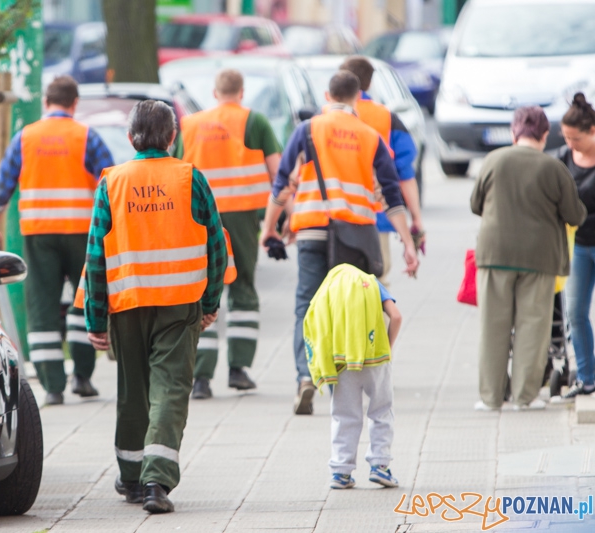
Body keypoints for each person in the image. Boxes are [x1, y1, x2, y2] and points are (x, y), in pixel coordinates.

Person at [84, 100, 227, 514]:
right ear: (172, 136)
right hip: (180, 304)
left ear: (131, 138)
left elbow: (95, 257)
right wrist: (210, 301)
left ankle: (131, 477)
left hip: (127, 305)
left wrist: (95, 318)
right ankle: (155, 481)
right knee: (170, 388)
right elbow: (215, 245)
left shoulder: (112, 183)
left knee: (133, 390)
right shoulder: (190, 178)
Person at [260, 70, 419, 416]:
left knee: (307, 303)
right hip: (355, 238)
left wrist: (268, 229)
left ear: (327, 96)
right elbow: (390, 196)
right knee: (349, 308)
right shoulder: (370, 137)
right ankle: (343, 382)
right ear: (357, 96)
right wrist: (407, 242)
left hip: (313, 230)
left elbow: (282, 184)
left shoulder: (307, 130)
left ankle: (306, 376)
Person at [0, 75, 115, 406]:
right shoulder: (86, 136)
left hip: (39, 233)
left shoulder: (25, 138)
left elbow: (1, 188)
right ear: (74, 104)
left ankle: (53, 386)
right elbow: (112, 183)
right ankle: (82, 378)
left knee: (41, 305)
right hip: (82, 233)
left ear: (46, 102)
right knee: (83, 299)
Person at [471, 106, 586, 411]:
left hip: (494, 254)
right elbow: (575, 215)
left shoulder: (493, 160)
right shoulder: (554, 168)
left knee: (492, 326)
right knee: (532, 326)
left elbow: (475, 204)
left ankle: (491, 398)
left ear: (514, 132)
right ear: (545, 134)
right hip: (540, 257)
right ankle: (525, 396)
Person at [176, 68, 282, 399]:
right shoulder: (255, 122)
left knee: (203, 291)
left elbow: (176, 170)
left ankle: (201, 378)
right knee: (243, 288)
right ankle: (239, 370)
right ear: (242, 91)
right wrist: (278, 221)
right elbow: (278, 172)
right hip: (242, 218)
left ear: (214, 92)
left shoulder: (190, 125)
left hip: (199, 218)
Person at [303, 264, 401, 489]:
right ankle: (380, 466)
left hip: (344, 361)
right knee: (382, 411)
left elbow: (317, 322)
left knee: (345, 415)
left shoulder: (330, 287)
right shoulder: (372, 283)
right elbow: (396, 316)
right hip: (377, 359)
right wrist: (387, 347)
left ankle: (341, 472)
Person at [338, 56, 425, 286]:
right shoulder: (387, 118)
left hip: (333, 217)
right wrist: (415, 219)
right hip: (377, 216)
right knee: (376, 285)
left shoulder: (322, 120)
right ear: (369, 83)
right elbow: (405, 174)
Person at [559, 93, 595, 399]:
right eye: (567, 137)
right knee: (575, 311)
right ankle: (587, 378)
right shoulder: (562, 157)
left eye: (577, 138)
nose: (572, 144)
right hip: (580, 245)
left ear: (593, 131)